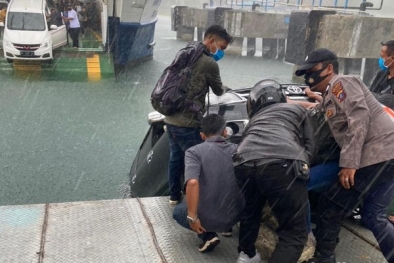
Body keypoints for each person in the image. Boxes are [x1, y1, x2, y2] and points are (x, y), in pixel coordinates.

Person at [294, 48, 394, 263]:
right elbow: (319, 109)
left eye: (312, 71)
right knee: (373, 216)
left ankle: (323, 258)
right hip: (388, 154)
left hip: (377, 154)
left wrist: (349, 164)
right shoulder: (331, 94)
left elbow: (358, 117)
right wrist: (289, 103)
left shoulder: (342, 83)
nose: (309, 77)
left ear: (329, 68)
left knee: (331, 206)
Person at [233, 79, 316, 263]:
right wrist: (301, 169)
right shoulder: (297, 110)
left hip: (243, 163)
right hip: (283, 163)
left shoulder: (254, 120)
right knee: (294, 234)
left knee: (250, 211)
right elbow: (311, 147)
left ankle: (246, 254)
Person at [164, 25, 233, 205]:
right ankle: (198, 204)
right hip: (187, 123)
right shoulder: (209, 63)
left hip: (170, 117)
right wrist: (224, 87)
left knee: (175, 159)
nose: (220, 52)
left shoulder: (186, 52)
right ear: (211, 41)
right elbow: (218, 90)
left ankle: (174, 196)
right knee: (198, 163)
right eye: (221, 48)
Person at [172, 114, 244, 253]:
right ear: (224, 132)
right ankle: (228, 229)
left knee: (179, 212)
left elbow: (192, 183)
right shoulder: (238, 150)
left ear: (202, 135)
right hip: (236, 216)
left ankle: (208, 235)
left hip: (209, 218)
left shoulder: (193, 152)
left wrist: (192, 217)